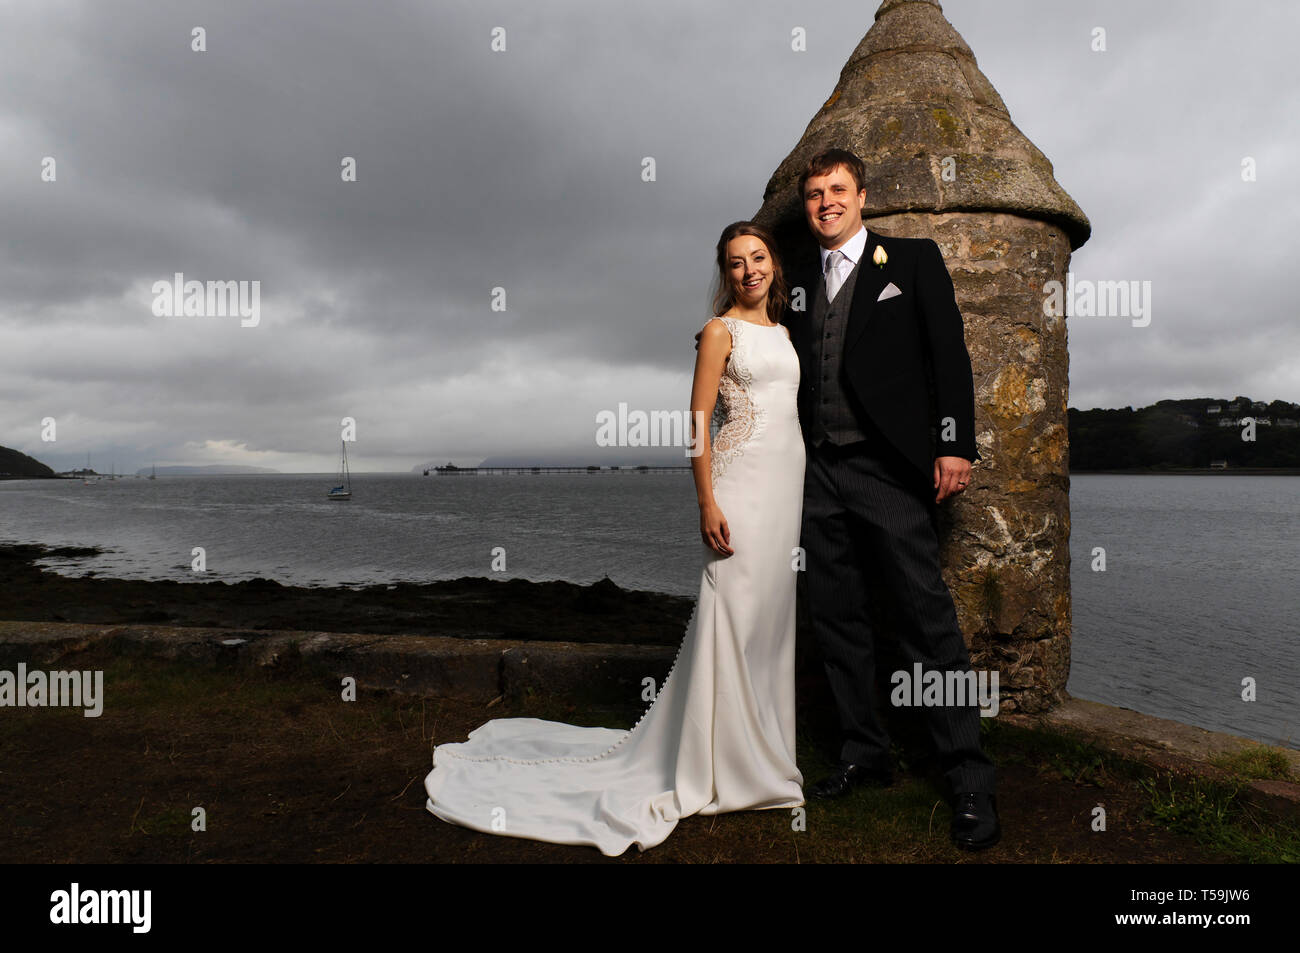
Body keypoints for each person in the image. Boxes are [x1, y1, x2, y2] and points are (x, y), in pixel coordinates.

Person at [423, 221, 807, 856]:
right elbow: (697, 425)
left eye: (759, 258)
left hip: (787, 489)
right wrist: (706, 500)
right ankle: (727, 765)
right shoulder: (719, 333)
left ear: (774, 263)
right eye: (736, 263)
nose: (750, 271)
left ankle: (763, 751)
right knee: (732, 619)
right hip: (741, 490)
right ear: (724, 273)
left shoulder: (787, 333)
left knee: (769, 622)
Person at [785, 147, 1000, 850]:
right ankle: (863, 752)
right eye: (814, 193)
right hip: (818, 473)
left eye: (837, 189)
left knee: (926, 621)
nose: (825, 202)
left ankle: (969, 777)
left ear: (863, 196)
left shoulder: (910, 261)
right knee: (837, 617)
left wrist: (954, 442)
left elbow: (949, 355)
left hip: (890, 469)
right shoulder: (795, 280)